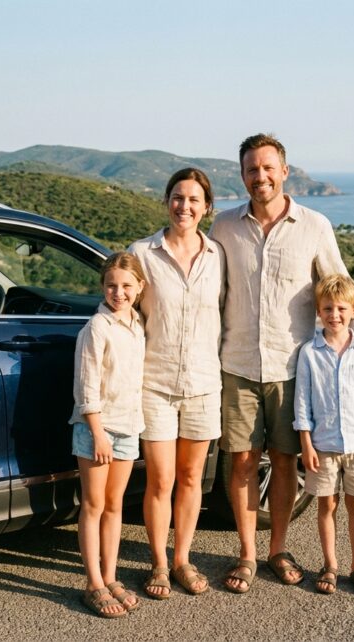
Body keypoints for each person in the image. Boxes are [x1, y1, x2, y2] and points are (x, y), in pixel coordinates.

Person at [208, 133, 354, 593]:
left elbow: (339, 284)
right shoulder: (224, 227)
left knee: (285, 462)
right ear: (242, 175)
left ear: (284, 172)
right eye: (251, 169)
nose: (260, 176)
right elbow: (209, 293)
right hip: (237, 364)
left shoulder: (314, 225)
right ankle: (247, 555)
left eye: (268, 167)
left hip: (293, 368)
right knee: (242, 463)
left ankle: (277, 549)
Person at [128, 168, 225, 598]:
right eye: (177, 197)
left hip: (204, 382)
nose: (184, 206)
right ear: (166, 200)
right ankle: (159, 564)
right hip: (156, 383)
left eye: (193, 200)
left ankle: (183, 558)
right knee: (160, 480)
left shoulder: (218, 256)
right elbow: (124, 313)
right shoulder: (143, 253)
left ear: (206, 208)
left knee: (191, 478)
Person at [294, 274, 354, 596]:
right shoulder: (310, 352)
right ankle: (330, 564)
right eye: (328, 308)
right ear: (319, 312)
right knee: (326, 506)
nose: (335, 315)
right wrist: (306, 443)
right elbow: (302, 402)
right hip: (322, 445)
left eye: (342, 309)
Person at [69, 252, 147, 618]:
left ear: (139, 288)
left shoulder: (137, 325)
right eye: (112, 285)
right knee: (94, 505)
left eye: (127, 286)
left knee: (116, 506)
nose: (119, 292)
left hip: (129, 426)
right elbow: (86, 388)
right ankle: (93, 583)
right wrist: (98, 433)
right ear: (102, 287)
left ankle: (111, 575)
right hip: (96, 429)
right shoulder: (96, 328)